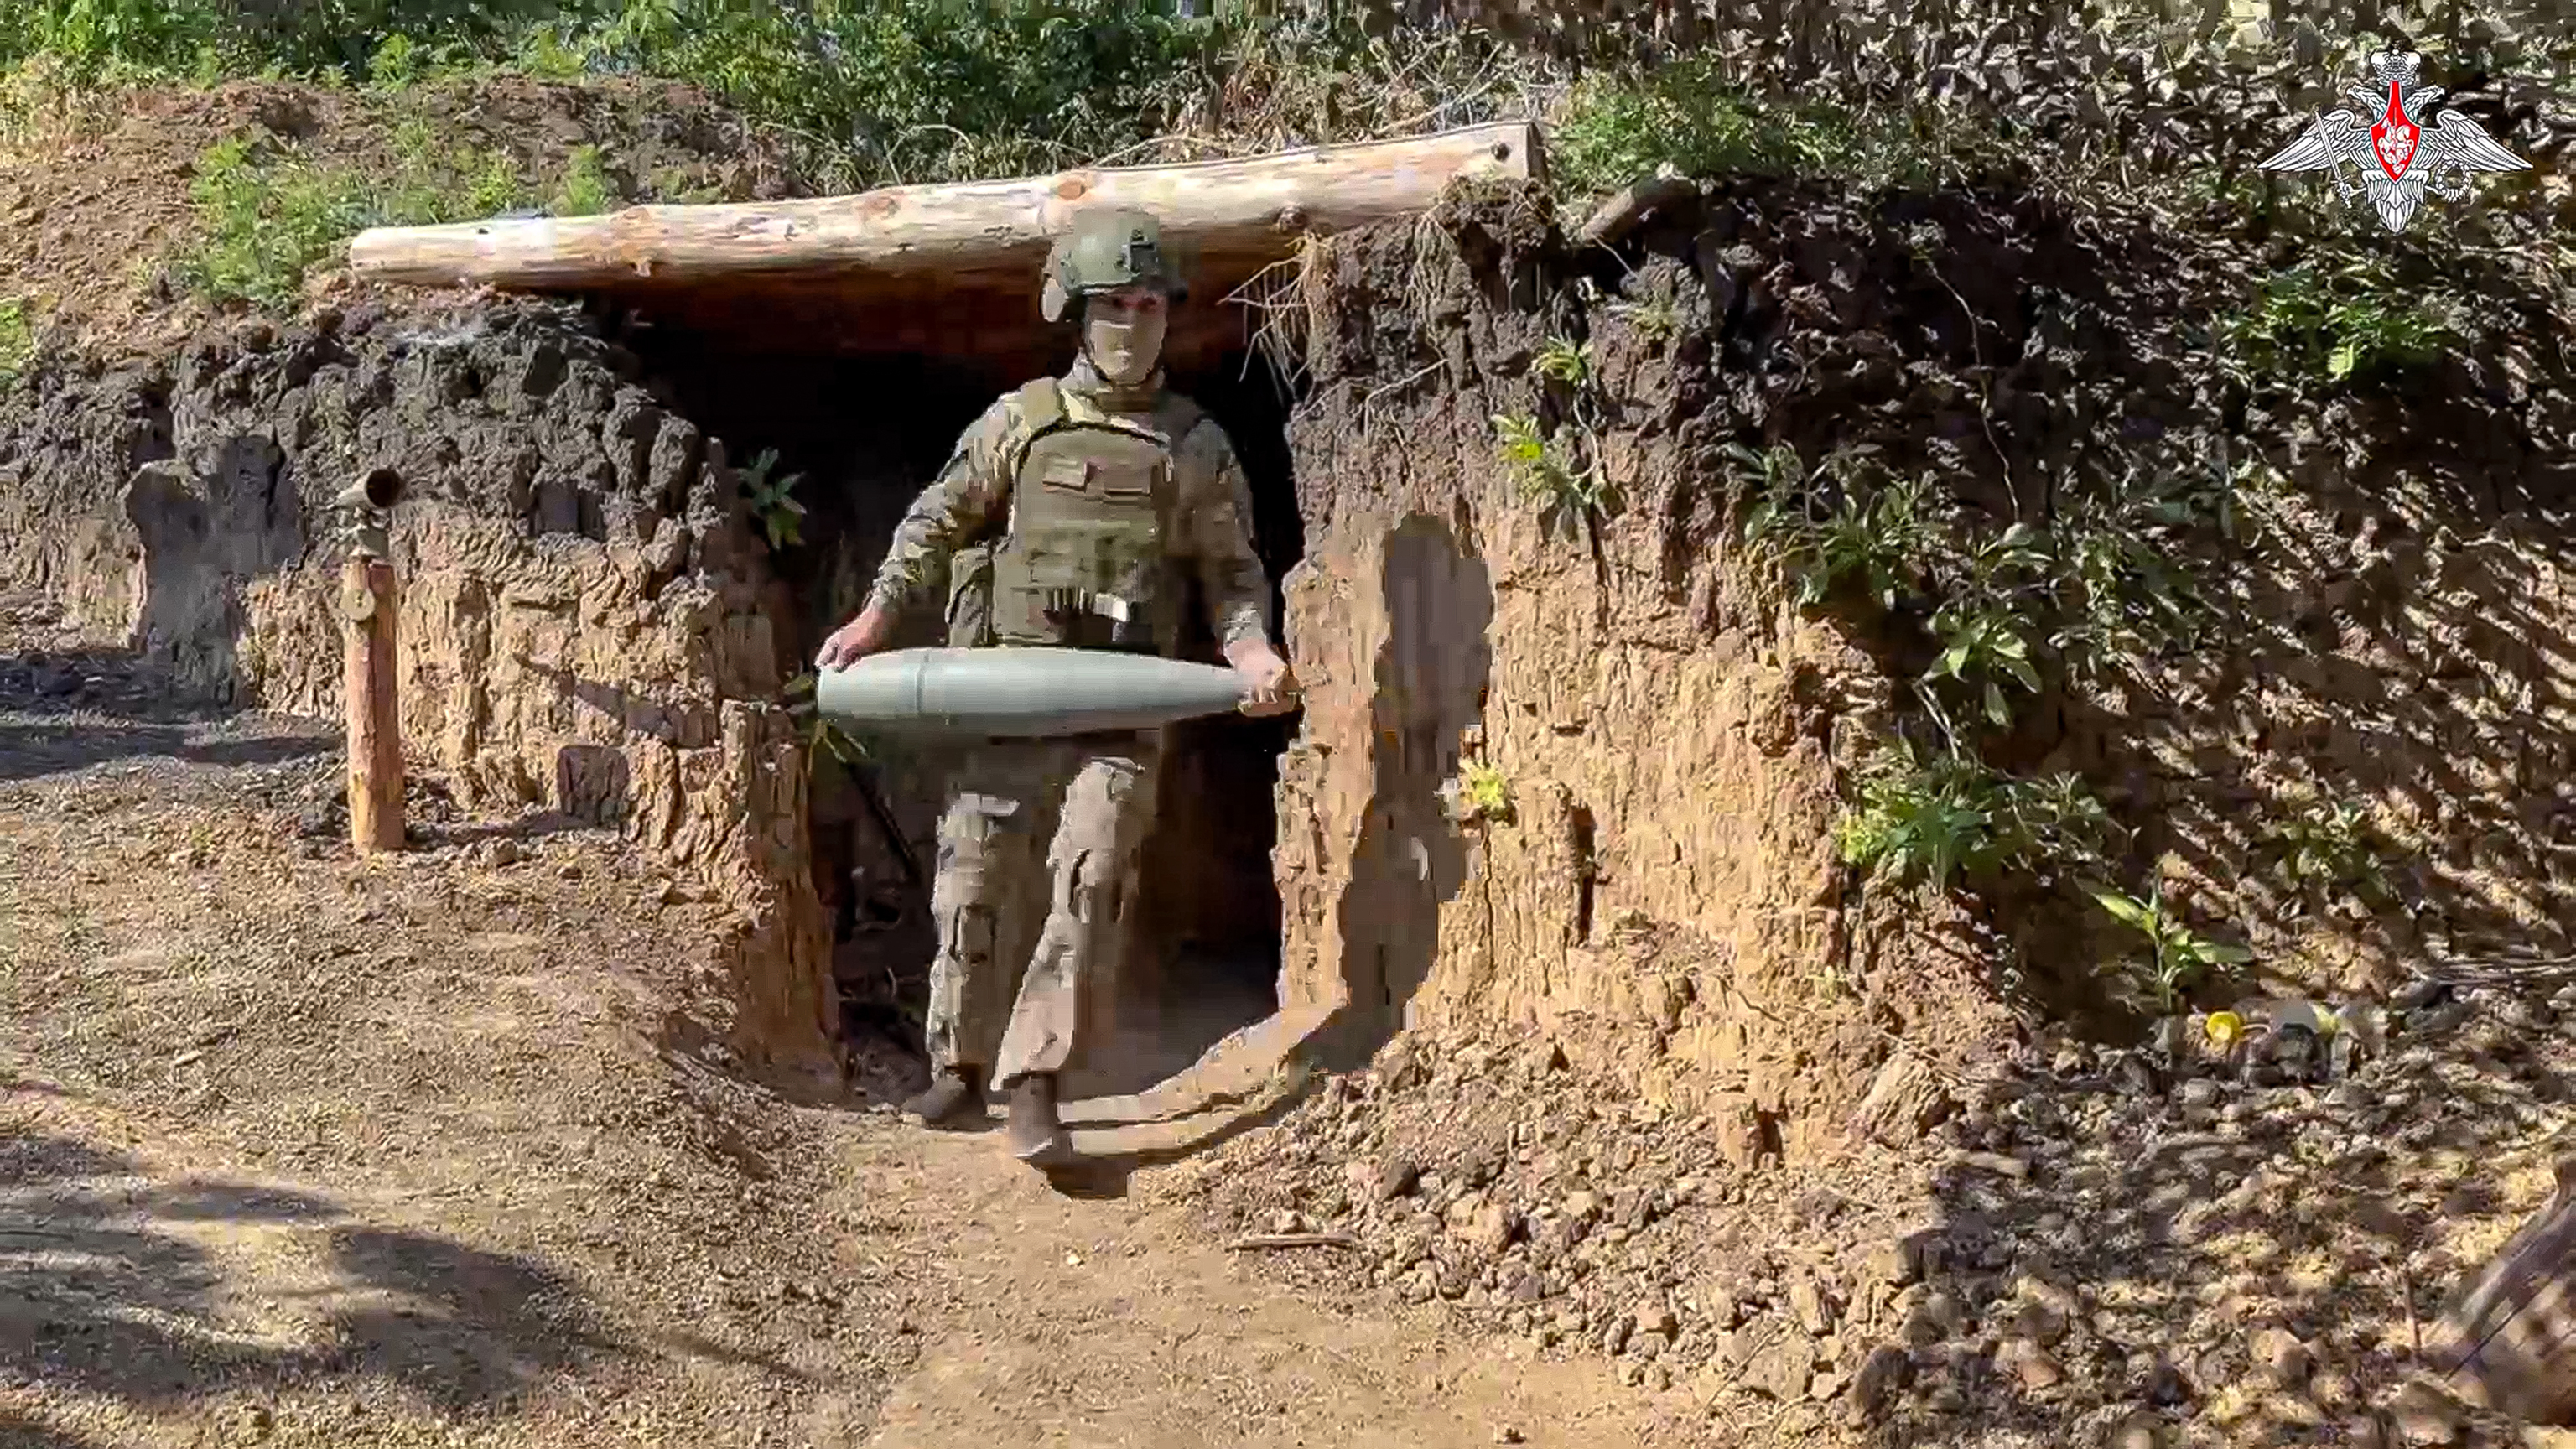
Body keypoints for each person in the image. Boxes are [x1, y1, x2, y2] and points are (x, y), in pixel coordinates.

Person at [814, 206, 1296, 1168]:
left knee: (1093, 872)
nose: (1135, 321)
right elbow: (931, 525)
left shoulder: (1195, 448)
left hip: (1122, 705)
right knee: (975, 872)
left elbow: (1234, 577)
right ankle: (957, 1065)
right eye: (1115, 303)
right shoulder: (1019, 424)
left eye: (1152, 303)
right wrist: (873, 624)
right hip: (1006, 688)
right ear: (1074, 312)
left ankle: (1034, 1079)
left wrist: (1251, 651)